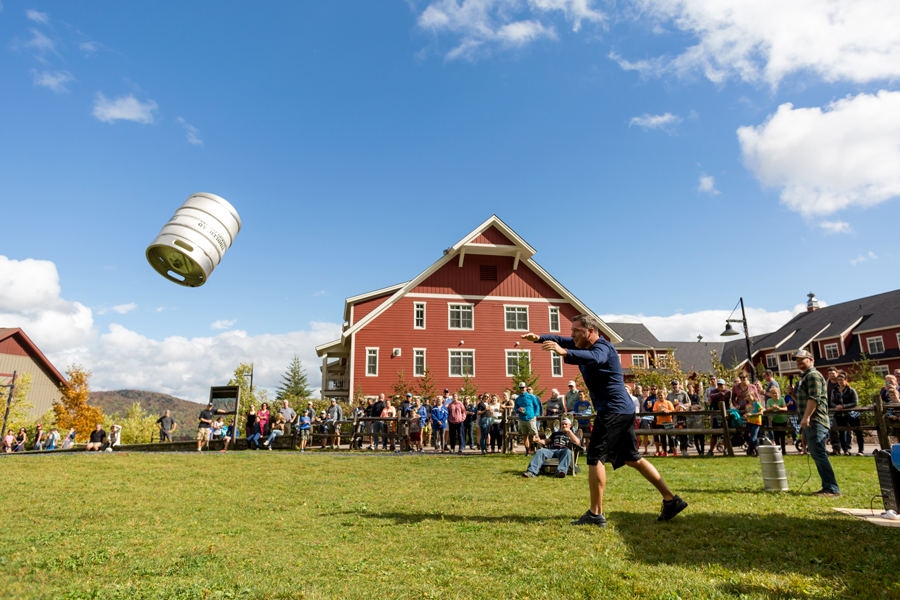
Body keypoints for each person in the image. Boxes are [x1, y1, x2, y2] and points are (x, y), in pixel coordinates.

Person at [524, 313, 687, 527]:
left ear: (591, 331)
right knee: (632, 458)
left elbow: (595, 359)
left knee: (595, 456)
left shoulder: (603, 348)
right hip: (620, 410)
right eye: (571, 331)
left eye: (577, 331)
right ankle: (671, 500)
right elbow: (560, 339)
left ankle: (595, 514)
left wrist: (564, 352)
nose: (572, 336)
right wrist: (539, 338)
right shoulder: (580, 343)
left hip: (613, 411)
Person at [794, 349, 840, 497]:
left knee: (819, 454)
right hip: (810, 420)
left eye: (802, 359)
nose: (799, 362)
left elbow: (814, 399)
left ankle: (832, 489)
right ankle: (828, 486)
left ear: (811, 360)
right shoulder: (805, 376)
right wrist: (791, 395)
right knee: (816, 453)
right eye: (797, 360)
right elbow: (806, 399)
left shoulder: (813, 375)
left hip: (815, 420)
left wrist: (806, 417)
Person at [834, 372, 863, 456]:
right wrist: (836, 406)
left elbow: (855, 402)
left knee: (857, 431)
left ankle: (860, 450)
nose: (839, 381)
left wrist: (843, 406)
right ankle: (845, 450)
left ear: (846, 380)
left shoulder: (851, 390)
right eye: (838, 380)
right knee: (842, 432)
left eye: (841, 380)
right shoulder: (835, 391)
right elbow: (832, 401)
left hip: (852, 414)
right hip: (840, 415)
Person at [514, 382, 542, 455]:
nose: (522, 389)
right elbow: (515, 408)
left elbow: (537, 406)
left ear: (526, 388)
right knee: (524, 435)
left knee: (535, 434)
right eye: (520, 388)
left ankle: (538, 450)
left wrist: (535, 415)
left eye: (523, 388)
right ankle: (527, 451)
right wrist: (518, 410)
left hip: (530, 418)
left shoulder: (531, 396)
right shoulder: (517, 399)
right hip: (522, 418)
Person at [707, 379, 731, 456]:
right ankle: (711, 450)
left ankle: (726, 449)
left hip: (725, 415)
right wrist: (720, 394)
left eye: (722, 385)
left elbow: (726, 398)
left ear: (725, 385)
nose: (720, 386)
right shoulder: (713, 391)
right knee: (714, 433)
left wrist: (718, 396)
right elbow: (712, 397)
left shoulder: (728, 391)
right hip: (716, 415)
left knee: (726, 433)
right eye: (719, 385)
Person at [668, 381, 690, 456]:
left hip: (682, 417)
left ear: (679, 385)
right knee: (673, 435)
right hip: (673, 417)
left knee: (683, 435)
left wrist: (681, 405)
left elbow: (689, 403)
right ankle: (674, 451)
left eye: (675, 384)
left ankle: (684, 450)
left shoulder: (683, 393)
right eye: (673, 384)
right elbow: (666, 403)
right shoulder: (669, 395)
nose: (674, 386)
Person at [766, 386, 788, 454]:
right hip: (774, 420)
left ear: (778, 393)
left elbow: (785, 408)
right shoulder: (769, 401)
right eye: (773, 393)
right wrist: (773, 408)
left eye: (775, 393)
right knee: (776, 436)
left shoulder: (781, 399)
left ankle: (784, 450)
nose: (774, 395)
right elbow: (767, 408)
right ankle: (778, 450)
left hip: (783, 420)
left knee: (782, 436)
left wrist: (779, 408)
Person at [653, 390, 675, 456]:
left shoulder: (668, 402)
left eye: (661, 395)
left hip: (668, 421)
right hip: (660, 422)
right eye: (659, 395)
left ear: (664, 395)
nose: (660, 396)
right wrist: (660, 411)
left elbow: (672, 410)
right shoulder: (657, 403)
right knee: (663, 438)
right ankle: (665, 452)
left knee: (670, 437)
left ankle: (674, 451)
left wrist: (667, 410)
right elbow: (654, 411)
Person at [745, 389, 764, 457]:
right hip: (749, 422)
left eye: (750, 396)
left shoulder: (757, 403)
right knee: (753, 437)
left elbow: (761, 412)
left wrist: (752, 415)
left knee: (752, 438)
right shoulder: (747, 405)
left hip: (756, 422)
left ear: (753, 396)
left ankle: (749, 449)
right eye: (747, 396)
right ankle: (757, 451)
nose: (748, 397)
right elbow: (748, 412)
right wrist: (746, 415)